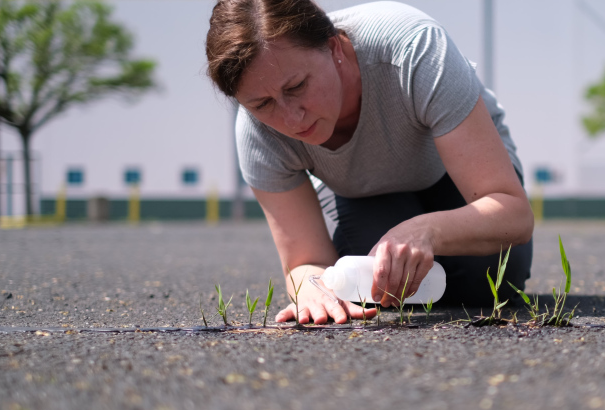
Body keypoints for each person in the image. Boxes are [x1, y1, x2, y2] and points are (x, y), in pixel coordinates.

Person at [205, 0, 534, 325]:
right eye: (262, 104)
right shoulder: (256, 132)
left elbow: (513, 214)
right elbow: (305, 261)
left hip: (452, 175)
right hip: (363, 195)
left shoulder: (414, 49)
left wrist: (426, 231)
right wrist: (311, 290)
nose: (291, 119)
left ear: (334, 47)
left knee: (492, 277)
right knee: (374, 279)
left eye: (297, 86)